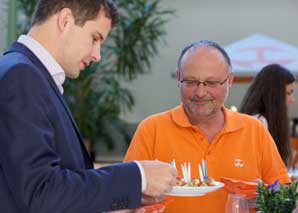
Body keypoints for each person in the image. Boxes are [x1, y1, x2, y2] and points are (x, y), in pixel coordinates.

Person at [0, 1, 177, 212]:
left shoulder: (27, 73)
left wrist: (124, 198)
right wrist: (138, 176)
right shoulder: (22, 76)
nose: (97, 55)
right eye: (95, 38)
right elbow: (41, 192)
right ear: (65, 20)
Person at [124, 40, 290, 212]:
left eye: (211, 83)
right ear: (178, 78)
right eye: (191, 81)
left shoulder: (254, 130)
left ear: (230, 80)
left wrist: (264, 196)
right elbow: (124, 195)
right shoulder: (152, 129)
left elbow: (285, 197)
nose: (201, 93)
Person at [240, 64, 296, 167]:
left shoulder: (264, 120)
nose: (292, 99)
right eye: (288, 93)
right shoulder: (258, 121)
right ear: (273, 95)